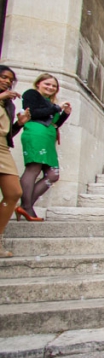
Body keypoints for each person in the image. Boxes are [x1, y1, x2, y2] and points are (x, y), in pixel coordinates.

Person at [17, 74, 71, 221]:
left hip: (48, 137)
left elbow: (54, 123)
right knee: (33, 168)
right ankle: (27, 207)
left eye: (54, 86)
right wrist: (56, 108)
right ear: (38, 84)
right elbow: (33, 113)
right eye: (47, 84)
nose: (51, 88)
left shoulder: (49, 102)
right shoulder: (31, 94)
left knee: (53, 174)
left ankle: (26, 206)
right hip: (36, 133)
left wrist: (65, 114)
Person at [0, 66, 30, 255]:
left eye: (10, 79)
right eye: (3, 77)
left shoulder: (8, 105)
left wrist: (19, 124)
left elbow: (8, 133)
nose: (7, 81)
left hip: (2, 147)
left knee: (14, 192)